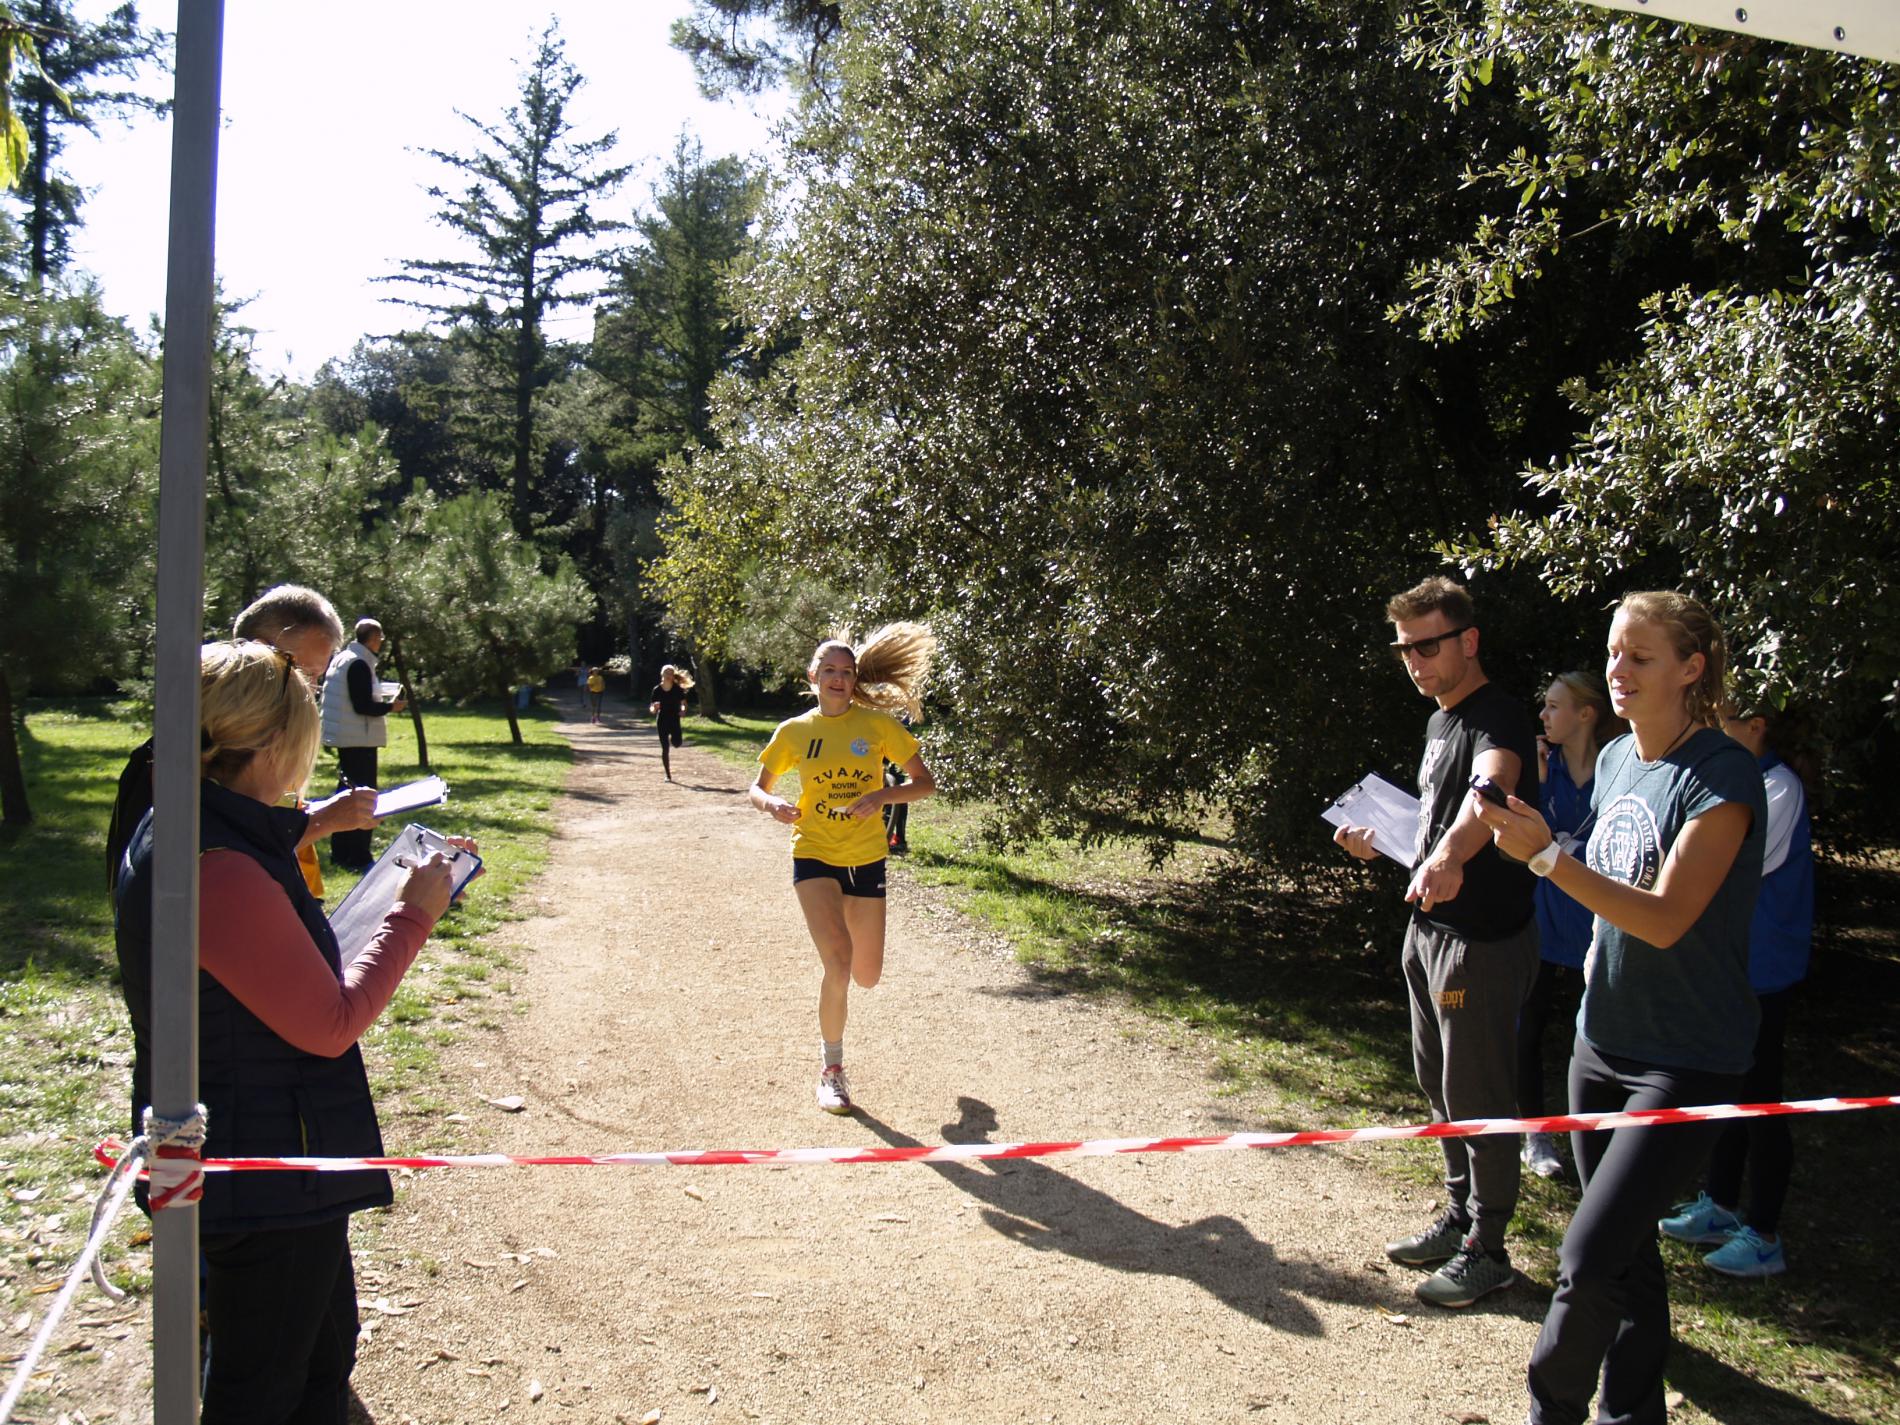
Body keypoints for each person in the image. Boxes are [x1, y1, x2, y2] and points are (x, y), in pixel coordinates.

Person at [114, 640, 467, 1424]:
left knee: (319, 1357)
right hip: (263, 1173)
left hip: (268, 1156)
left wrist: (317, 823)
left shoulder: (188, 819)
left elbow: (258, 877)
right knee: (263, 1387)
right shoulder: (217, 867)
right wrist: (413, 915)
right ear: (275, 744)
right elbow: (330, 1023)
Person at [1472, 590, 1765, 1425]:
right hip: (1600, 1040)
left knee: (1589, 1253)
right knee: (1627, 1255)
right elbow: (1612, 887)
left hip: (1686, 1058)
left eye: (1640, 656)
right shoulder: (1617, 761)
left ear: (1692, 667)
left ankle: (1551, 1410)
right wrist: (1538, 846)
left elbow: (1667, 918)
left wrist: (1546, 859)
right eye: (1613, 653)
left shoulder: (1722, 775)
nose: (1618, 670)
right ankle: (1634, 1414)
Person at [1334, 575, 1539, 1309]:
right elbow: (1439, 815)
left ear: (1468, 640)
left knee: (1478, 1093)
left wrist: (1450, 855)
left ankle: (1490, 1248)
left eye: (1427, 646)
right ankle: (1458, 1218)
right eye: (1404, 650)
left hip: (1479, 943)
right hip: (1428, 930)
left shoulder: (1498, 717)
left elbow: (1491, 792)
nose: (1414, 661)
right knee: (1439, 1085)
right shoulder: (1439, 722)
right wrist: (1390, 842)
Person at [749, 625, 937, 1114]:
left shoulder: (877, 727)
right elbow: (757, 787)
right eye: (829, 670)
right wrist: (772, 805)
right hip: (814, 852)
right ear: (812, 676)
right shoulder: (794, 732)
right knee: (838, 961)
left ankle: (835, 1047)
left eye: (846, 672)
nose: (838, 678)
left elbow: (924, 783)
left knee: (866, 975)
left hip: (866, 857)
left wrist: (881, 795)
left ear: (855, 680)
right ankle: (831, 1070)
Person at [1658, 700, 1814, 1278]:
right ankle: (1721, 1205)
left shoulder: (1778, 786)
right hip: (1729, 965)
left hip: (1764, 968)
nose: (1709, 729)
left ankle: (1764, 1233)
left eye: (1721, 720)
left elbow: (1729, 864)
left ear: (1757, 727)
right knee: (1724, 1085)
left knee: (1762, 1096)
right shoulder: (1733, 779)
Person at [105, 584, 378, 895]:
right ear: (258, 652)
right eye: (303, 674)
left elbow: (263, 819)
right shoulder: (203, 752)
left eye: (317, 679)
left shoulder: (259, 741)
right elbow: (227, 849)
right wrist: (322, 821)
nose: (310, 692)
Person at [1520, 671, 1622, 1182]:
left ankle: (1611, 1142)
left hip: (1594, 925)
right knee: (1526, 1030)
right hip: (1540, 920)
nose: (1542, 715)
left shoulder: (1618, 768)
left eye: (1554, 706)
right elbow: (1520, 838)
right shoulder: (1542, 766)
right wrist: (1536, 783)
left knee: (1603, 1039)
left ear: (1586, 714)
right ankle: (1534, 1134)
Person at [321, 617, 405, 871]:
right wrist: (391, 707)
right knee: (364, 797)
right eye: (380, 638)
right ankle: (358, 855)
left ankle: (341, 853)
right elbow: (363, 706)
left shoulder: (344, 658)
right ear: (374, 638)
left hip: (347, 737)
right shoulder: (359, 663)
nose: (381, 643)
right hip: (359, 738)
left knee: (347, 794)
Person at [648, 664, 696, 780]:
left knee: (677, 743)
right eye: (667, 673)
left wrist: (683, 711)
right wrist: (654, 708)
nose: (669, 675)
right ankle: (668, 775)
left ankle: (673, 739)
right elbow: (652, 707)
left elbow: (683, 704)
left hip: (674, 719)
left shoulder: (677, 689)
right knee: (665, 748)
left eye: (671, 673)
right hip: (662, 719)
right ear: (662, 674)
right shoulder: (657, 690)